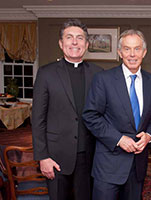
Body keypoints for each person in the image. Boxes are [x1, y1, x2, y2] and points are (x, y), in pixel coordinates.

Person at [82, 29, 151, 200]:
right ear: (119, 52)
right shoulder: (103, 79)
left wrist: (148, 135)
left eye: (137, 49)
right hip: (108, 166)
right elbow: (91, 116)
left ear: (144, 52)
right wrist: (118, 139)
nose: (132, 54)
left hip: (137, 165)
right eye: (127, 49)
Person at [32, 19, 103, 200]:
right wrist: (43, 157)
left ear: (86, 45)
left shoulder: (98, 74)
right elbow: (38, 118)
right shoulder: (46, 73)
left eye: (79, 38)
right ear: (61, 43)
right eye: (69, 37)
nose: (74, 42)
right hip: (55, 157)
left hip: (88, 157)